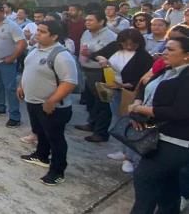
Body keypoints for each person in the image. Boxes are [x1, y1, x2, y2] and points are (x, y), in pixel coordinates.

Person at [129, 36, 189, 213]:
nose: (164, 52)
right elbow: (143, 88)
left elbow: (180, 112)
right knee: (167, 187)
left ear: (187, 55)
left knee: (145, 180)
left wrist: (143, 110)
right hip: (157, 135)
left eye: (171, 50)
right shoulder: (166, 70)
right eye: (165, 48)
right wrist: (137, 108)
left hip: (177, 142)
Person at [18, 20, 78, 186]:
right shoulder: (35, 49)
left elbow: (69, 82)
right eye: (38, 30)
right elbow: (28, 69)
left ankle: (57, 171)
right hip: (34, 102)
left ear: (55, 36)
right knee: (40, 131)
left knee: (55, 139)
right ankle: (41, 155)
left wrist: (52, 100)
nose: (37, 33)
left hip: (53, 107)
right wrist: (21, 85)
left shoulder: (61, 55)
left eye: (42, 32)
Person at [93, 28, 153, 173]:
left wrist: (123, 85)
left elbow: (141, 80)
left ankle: (129, 157)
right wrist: (101, 58)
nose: (129, 47)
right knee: (118, 120)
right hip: (112, 89)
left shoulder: (144, 57)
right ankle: (123, 150)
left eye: (133, 44)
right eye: (126, 44)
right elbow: (95, 54)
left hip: (129, 93)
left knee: (129, 123)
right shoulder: (114, 47)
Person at [76, 9, 118, 143]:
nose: (87, 22)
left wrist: (91, 53)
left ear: (101, 21)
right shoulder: (86, 33)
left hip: (102, 73)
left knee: (103, 103)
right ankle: (91, 123)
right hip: (86, 71)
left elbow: (109, 55)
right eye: (86, 20)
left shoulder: (110, 36)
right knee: (90, 101)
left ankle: (100, 132)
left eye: (90, 20)